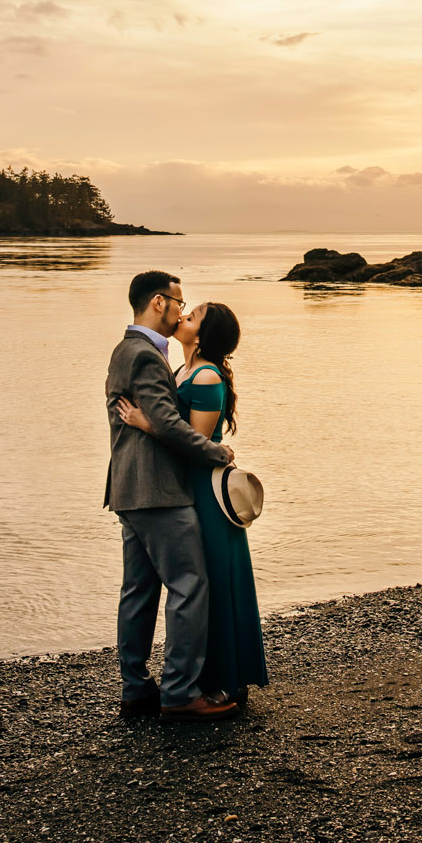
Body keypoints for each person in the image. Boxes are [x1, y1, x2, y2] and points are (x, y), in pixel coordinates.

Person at [117, 300, 267, 706]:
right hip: (182, 488)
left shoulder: (204, 377)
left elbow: (199, 447)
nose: (183, 316)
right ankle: (194, 679)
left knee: (210, 583)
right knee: (197, 585)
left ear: (200, 336)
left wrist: (146, 423)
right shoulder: (182, 369)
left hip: (204, 491)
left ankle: (218, 678)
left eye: (193, 315)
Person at [105, 270, 239, 722]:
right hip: (158, 489)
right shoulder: (143, 354)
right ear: (159, 303)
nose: (182, 310)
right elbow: (165, 422)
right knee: (188, 586)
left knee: (139, 592)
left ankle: (136, 688)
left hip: (130, 489)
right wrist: (217, 452)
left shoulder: (134, 349)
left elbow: (156, 420)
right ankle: (180, 693)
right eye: (180, 303)